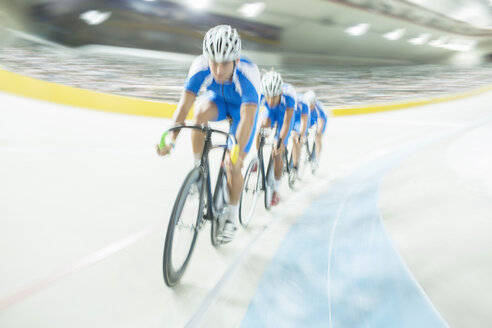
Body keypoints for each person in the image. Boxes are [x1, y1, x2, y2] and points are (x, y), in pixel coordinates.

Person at [156, 25, 261, 244]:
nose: (219, 70)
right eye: (214, 62)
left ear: (236, 61)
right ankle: (199, 171)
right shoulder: (199, 67)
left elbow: (248, 119)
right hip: (218, 102)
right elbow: (184, 107)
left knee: (234, 165)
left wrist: (236, 154)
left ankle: (232, 218)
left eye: (225, 63)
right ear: (207, 59)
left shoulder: (249, 75)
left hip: (243, 110)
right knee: (198, 115)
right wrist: (171, 140)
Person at [255, 70, 295, 206]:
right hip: (271, 113)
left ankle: (276, 191)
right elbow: (253, 116)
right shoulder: (260, 94)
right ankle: (257, 157)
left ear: (280, 93)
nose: (270, 101)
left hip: (284, 115)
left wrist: (280, 140)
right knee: (260, 128)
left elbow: (287, 123)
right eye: (268, 97)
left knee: (277, 153)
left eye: (274, 97)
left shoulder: (289, 95)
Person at [304, 90, 327, 161]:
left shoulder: (319, 109)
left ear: (314, 103)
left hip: (320, 118)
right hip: (310, 117)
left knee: (318, 137)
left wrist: (318, 132)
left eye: (311, 105)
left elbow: (320, 125)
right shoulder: (304, 106)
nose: (309, 107)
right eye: (308, 105)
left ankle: (317, 159)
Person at [291, 92, 310, 174]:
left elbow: (303, 122)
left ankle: (296, 165)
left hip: (301, 119)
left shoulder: (303, 103)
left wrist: (300, 135)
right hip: (293, 117)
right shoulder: (287, 101)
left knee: (296, 138)